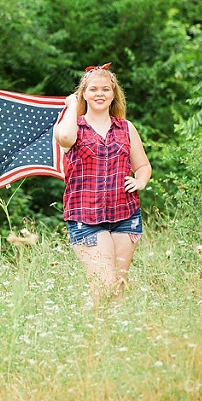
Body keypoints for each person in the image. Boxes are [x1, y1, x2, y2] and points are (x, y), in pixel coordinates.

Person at [53, 63, 152, 305]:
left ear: (113, 94)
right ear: (84, 93)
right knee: (104, 286)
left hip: (125, 215)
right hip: (85, 216)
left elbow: (143, 166)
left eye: (106, 89)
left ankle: (113, 340)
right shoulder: (73, 127)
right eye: (93, 89)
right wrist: (71, 106)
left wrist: (139, 181)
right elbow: (64, 139)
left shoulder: (126, 128)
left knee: (118, 289)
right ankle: (92, 337)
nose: (100, 94)